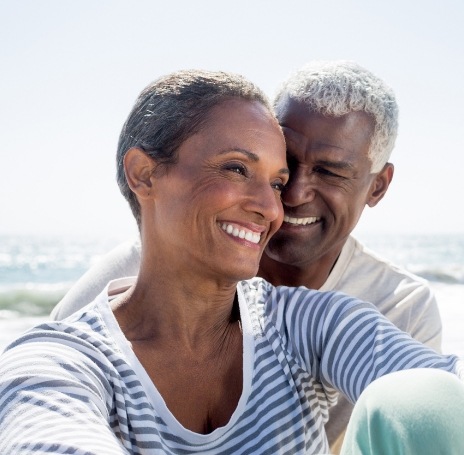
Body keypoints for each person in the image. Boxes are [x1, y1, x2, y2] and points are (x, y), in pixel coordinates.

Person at [1, 69, 463, 454]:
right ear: (144, 174)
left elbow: (440, 397)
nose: (274, 207)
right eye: (237, 169)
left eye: (275, 183)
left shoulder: (312, 323)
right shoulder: (59, 361)